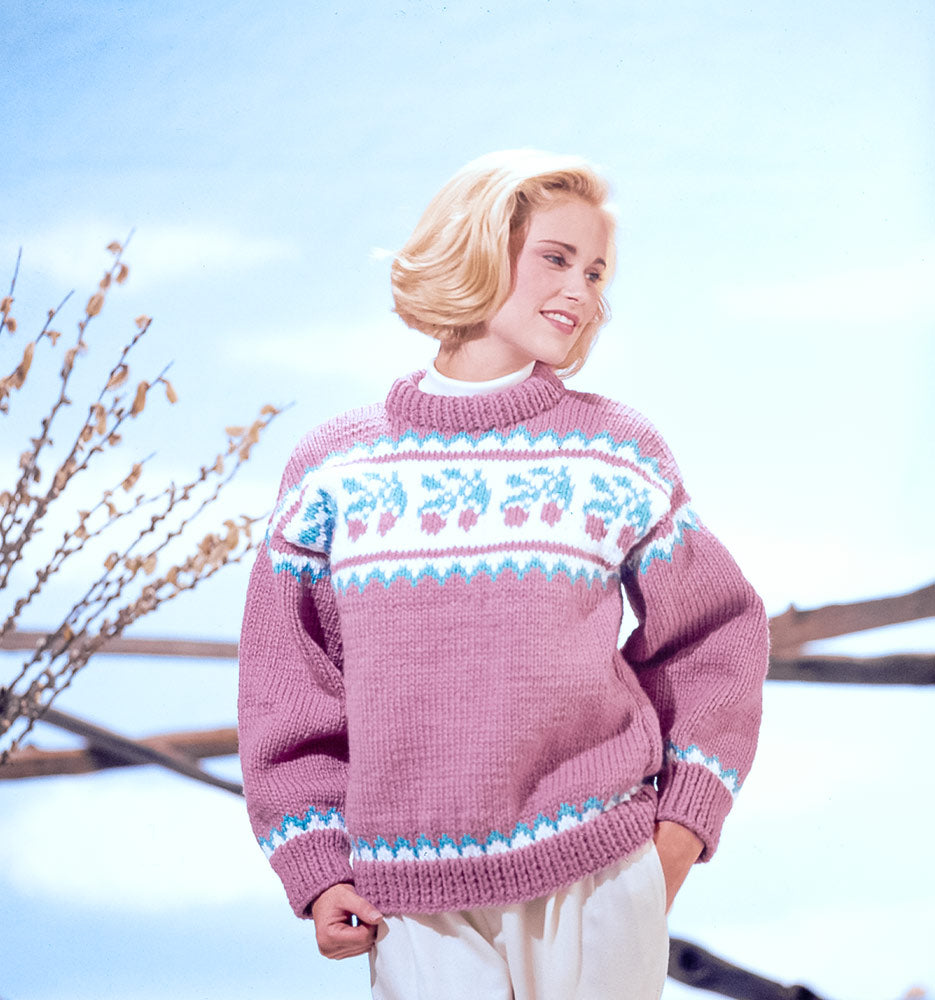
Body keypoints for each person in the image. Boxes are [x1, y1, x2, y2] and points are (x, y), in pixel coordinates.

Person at [238, 150, 770, 1000]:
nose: (580, 290)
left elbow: (718, 636)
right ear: (476, 249)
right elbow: (290, 689)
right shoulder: (334, 468)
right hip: (407, 896)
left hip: (598, 869)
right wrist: (316, 862)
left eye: (594, 272)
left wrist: (678, 829)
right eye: (555, 258)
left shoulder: (615, 451)